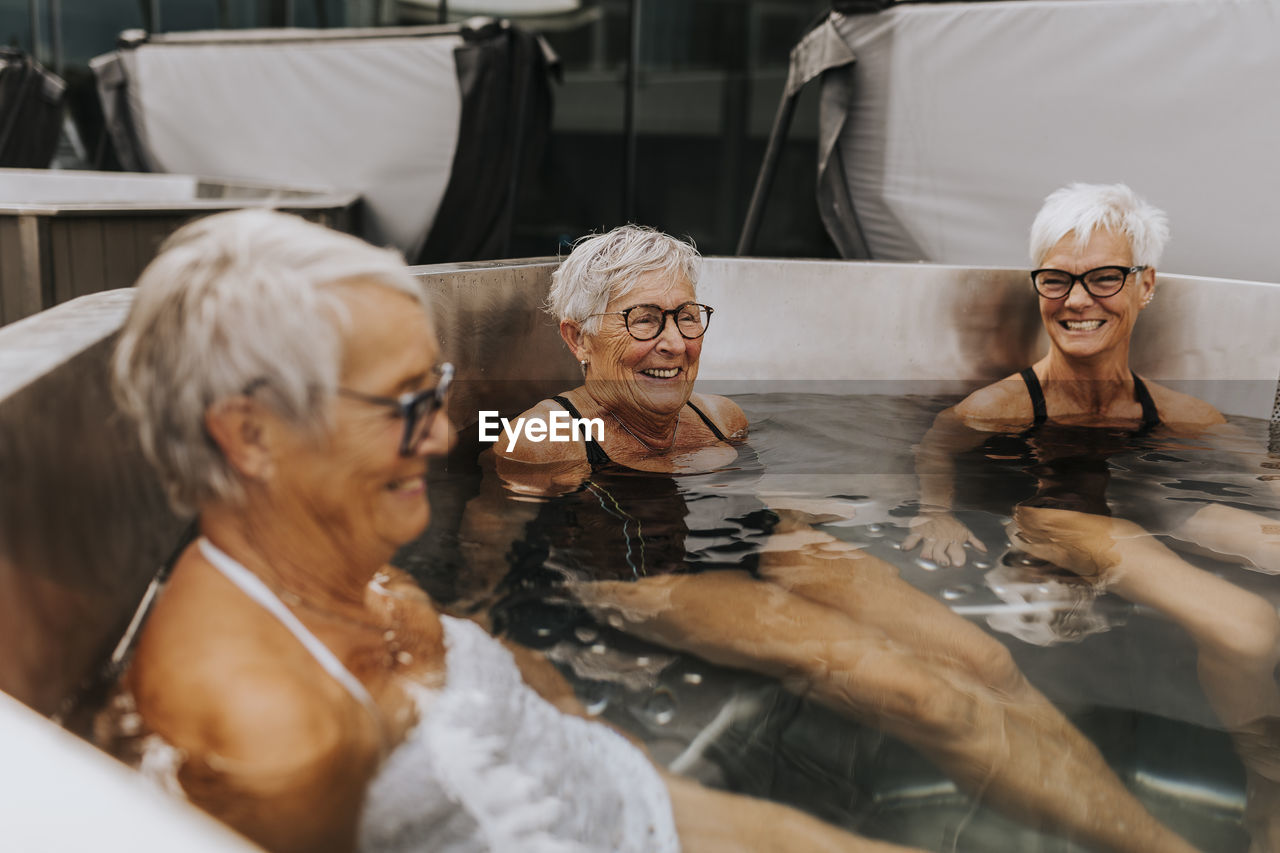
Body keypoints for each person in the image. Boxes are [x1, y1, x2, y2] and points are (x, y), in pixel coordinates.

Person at [99, 209, 912, 853]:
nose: (442, 434)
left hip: (634, 796)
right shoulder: (276, 733)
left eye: (437, 388)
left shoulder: (353, 577)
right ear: (251, 436)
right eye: (405, 403)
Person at [466, 224, 1199, 853]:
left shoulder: (721, 417)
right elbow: (486, 544)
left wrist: (826, 517)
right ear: (578, 336)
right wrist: (478, 638)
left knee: (986, 660)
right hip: (639, 578)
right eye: (644, 320)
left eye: (688, 317)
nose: (674, 343)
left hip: (756, 542)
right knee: (929, 698)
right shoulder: (548, 437)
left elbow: (737, 498)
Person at [902, 182, 1280, 850]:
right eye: (1057, 279)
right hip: (1050, 527)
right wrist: (937, 512)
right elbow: (937, 441)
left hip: (1149, 514)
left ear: (1146, 285)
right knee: (1250, 628)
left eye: (1104, 277)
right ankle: (1270, 787)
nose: (1077, 300)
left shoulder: (1180, 415)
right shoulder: (1006, 406)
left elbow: (1260, 474)